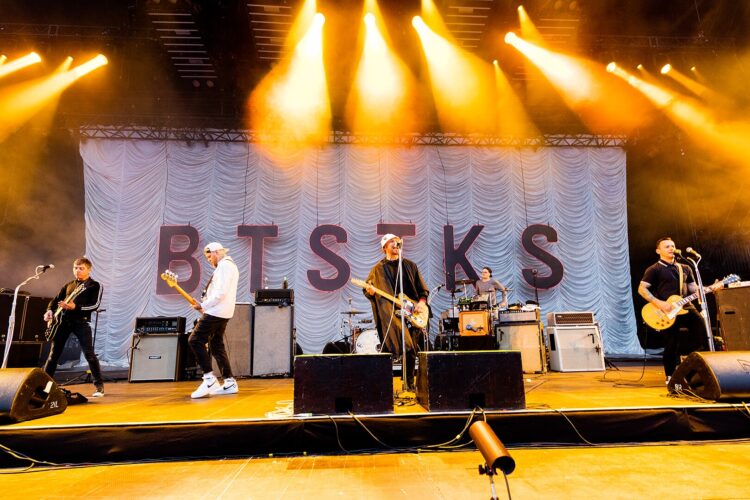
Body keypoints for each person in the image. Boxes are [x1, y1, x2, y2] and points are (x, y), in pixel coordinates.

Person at [364, 234, 429, 389]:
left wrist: (421, 303)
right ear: (384, 247)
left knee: (411, 349)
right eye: (391, 242)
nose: (395, 244)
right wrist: (370, 292)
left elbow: (422, 290)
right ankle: (384, 387)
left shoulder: (409, 265)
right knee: (396, 347)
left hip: (412, 313)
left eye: (397, 241)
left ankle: (408, 384)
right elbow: (367, 289)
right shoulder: (377, 269)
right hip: (391, 315)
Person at [638, 237, 707, 382]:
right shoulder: (654, 269)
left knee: (703, 333)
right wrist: (659, 303)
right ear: (658, 251)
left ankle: (695, 368)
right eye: (667, 246)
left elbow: (693, 288)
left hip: (686, 306)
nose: (671, 248)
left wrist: (708, 289)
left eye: (673, 246)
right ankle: (670, 376)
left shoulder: (685, 267)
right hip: (665, 310)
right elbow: (642, 289)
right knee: (671, 343)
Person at [43, 257, 105, 397]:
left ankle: (99, 386)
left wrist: (75, 307)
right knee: (53, 355)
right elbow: (55, 300)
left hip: (80, 322)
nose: (77, 271)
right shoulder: (69, 285)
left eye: (81, 268)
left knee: (89, 354)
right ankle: (44, 386)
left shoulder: (94, 286)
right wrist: (49, 310)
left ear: (89, 269)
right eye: (75, 268)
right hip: (62, 322)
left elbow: (94, 305)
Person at [188, 242, 240, 399]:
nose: (209, 260)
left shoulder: (224, 266)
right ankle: (229, 381)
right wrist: (205, 305)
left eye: (209, 256)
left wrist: (203, 304)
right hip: (222, 311)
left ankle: (209, 379)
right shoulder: (230, 266)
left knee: (194, 340)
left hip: (216, 311)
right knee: (216, 345)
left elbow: (221, 293)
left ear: (217, 252)